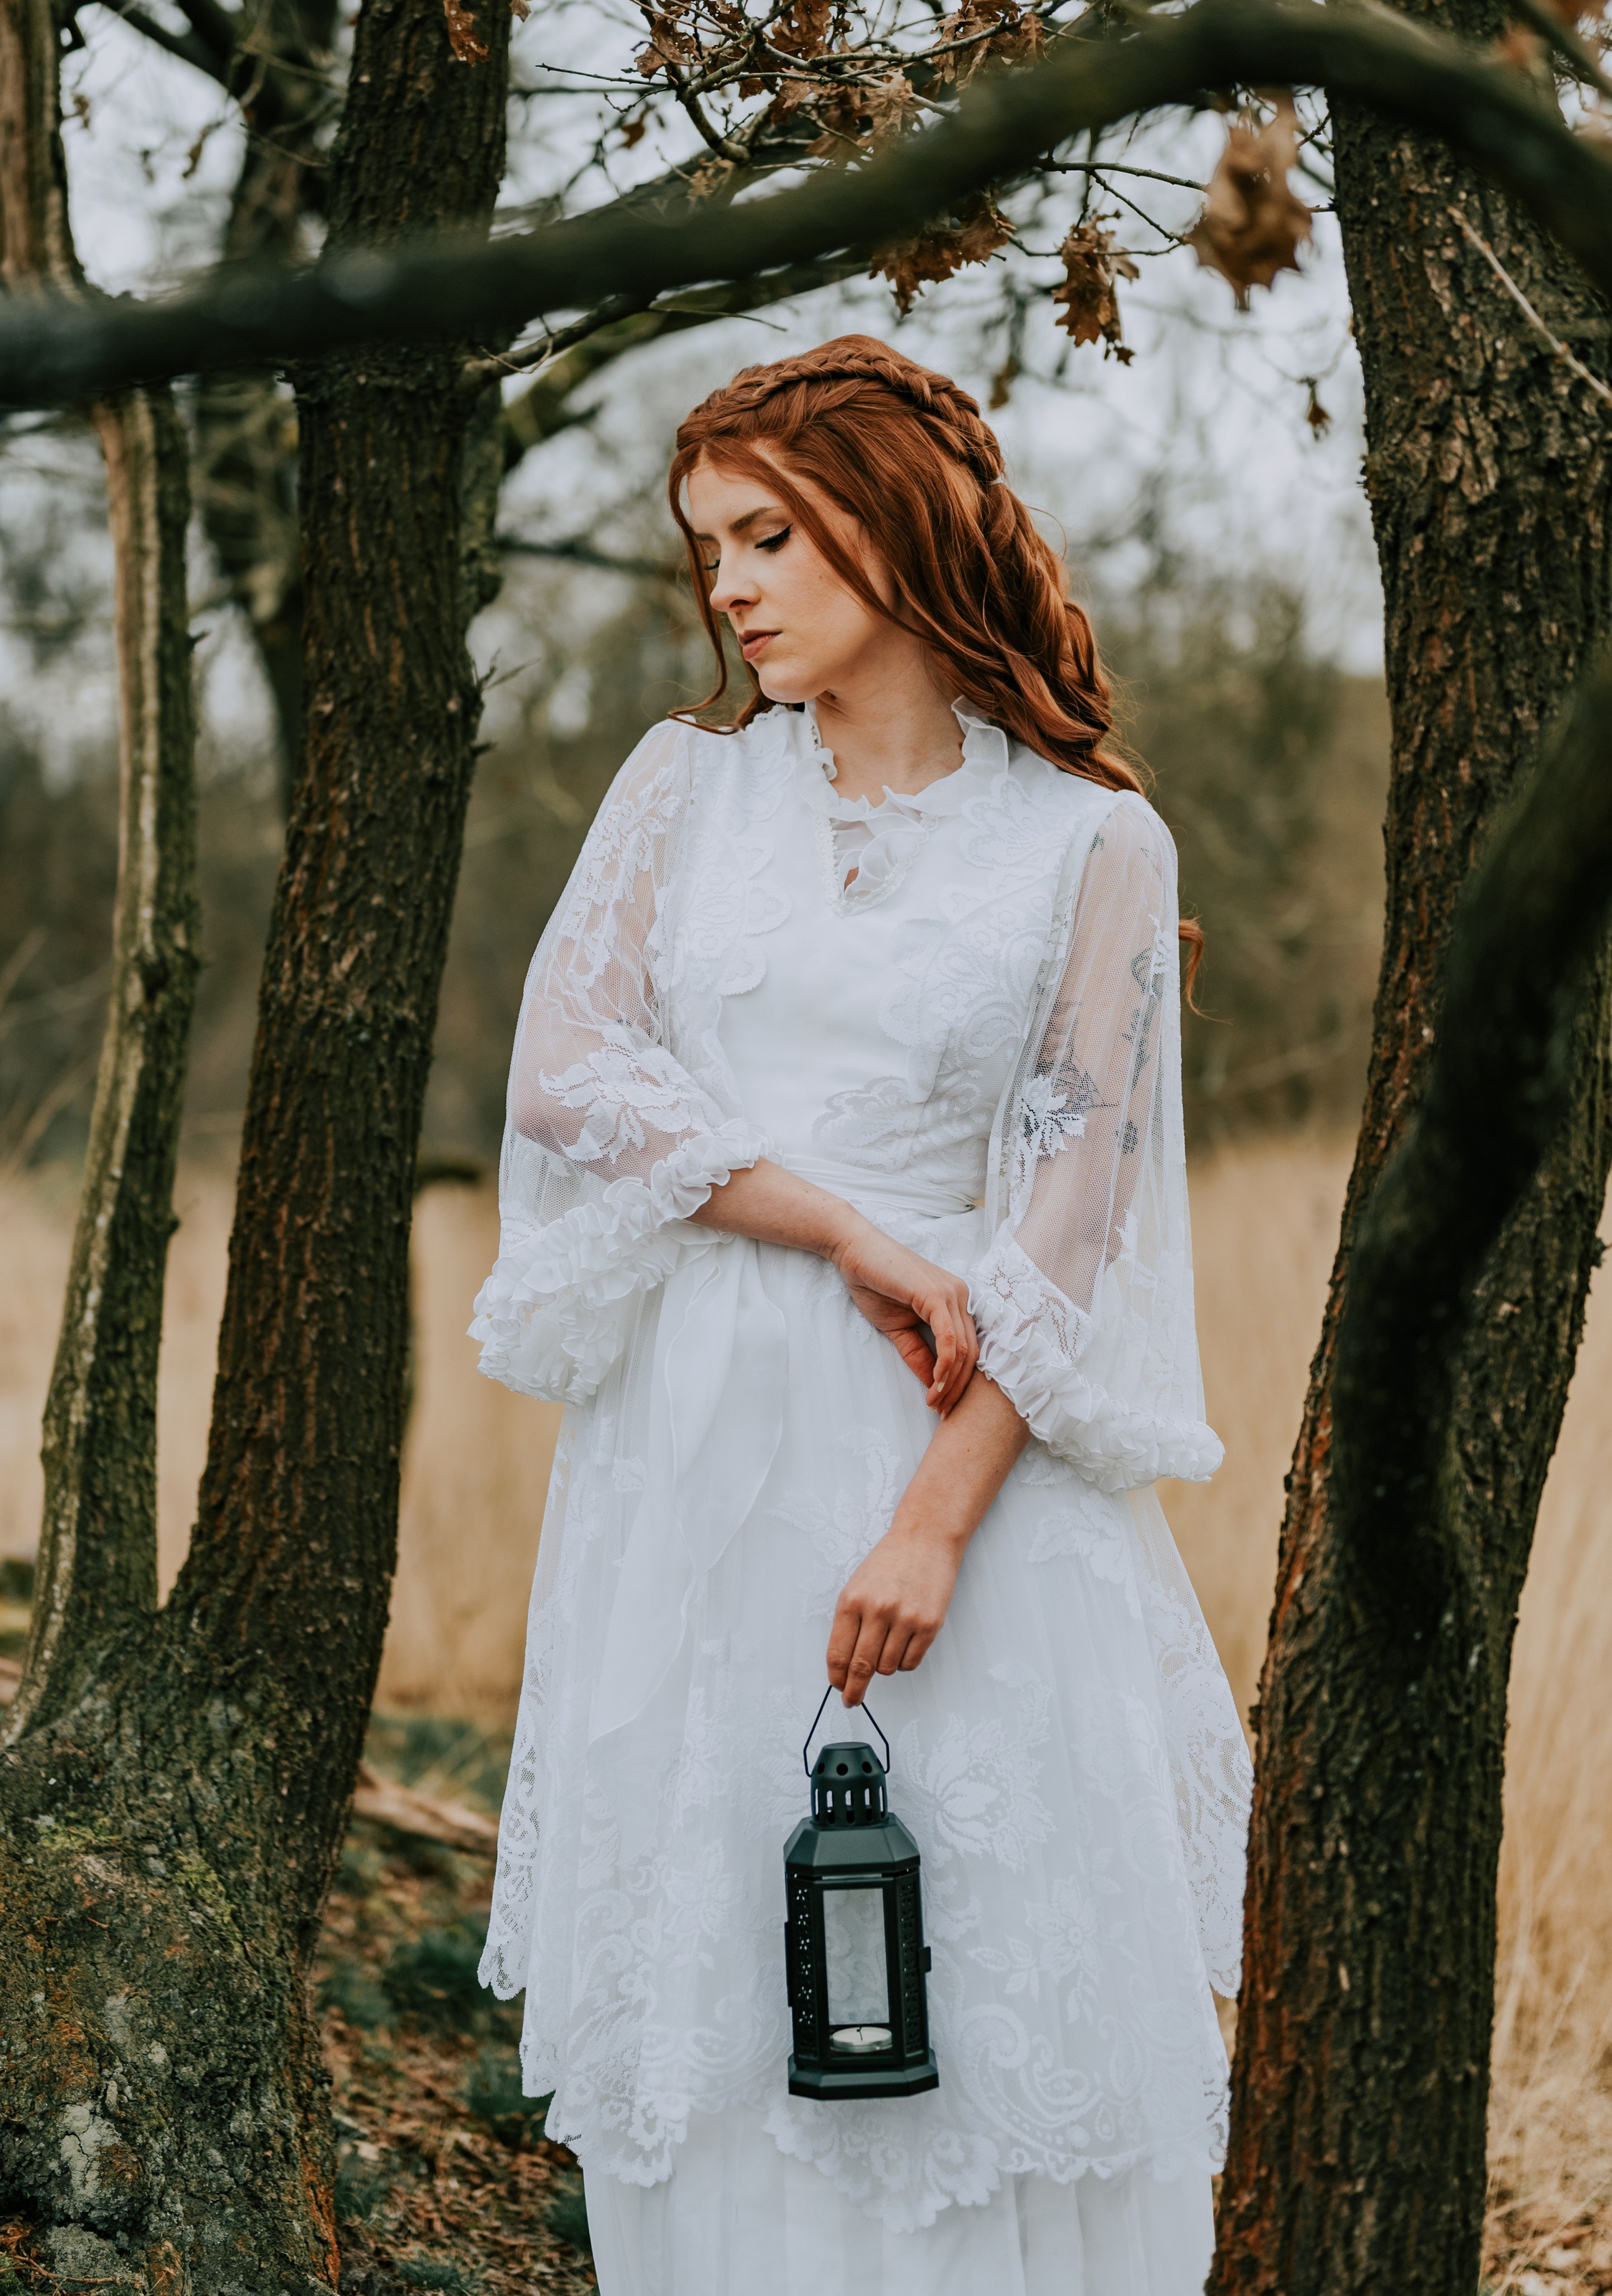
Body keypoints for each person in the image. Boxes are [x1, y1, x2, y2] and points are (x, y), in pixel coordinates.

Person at [471, 334, 1251, 2295]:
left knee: (993, 1992)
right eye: (707, 548)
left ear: (892, 528)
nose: (728, 587)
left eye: (767, 536)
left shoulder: (1091, 844)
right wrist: (845, 1230)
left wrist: (930, 1524)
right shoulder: (682, 794)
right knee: (721, 2001)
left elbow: (1071, 1232)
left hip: (953, 1463)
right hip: (692, 1463)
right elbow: (570, 1074)